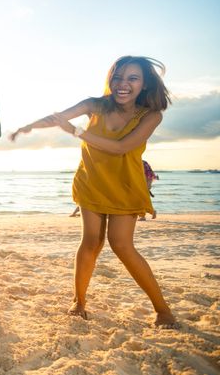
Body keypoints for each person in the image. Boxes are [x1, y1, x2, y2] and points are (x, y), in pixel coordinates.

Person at [10, 56, 177, 328]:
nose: (123, 84)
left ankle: (163, 310)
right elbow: (58, 118)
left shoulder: (150, 116)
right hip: (91, 182)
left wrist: (75, 131)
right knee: (90, 242)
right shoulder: (95, 104)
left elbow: (121, 147)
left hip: (124, 186)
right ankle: (79, 302)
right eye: (118, 77)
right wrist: (28, 126)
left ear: (145, 85)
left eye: (132, 78)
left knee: (122, 245)